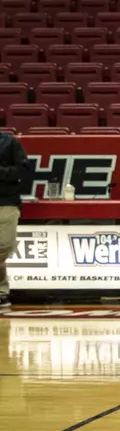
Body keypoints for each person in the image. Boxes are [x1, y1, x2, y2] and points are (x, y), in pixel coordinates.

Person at [0, 130, 32, 313]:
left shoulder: (9, 142)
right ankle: (1, 292)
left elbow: (24, 170)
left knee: (3, 246)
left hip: (6, 203)